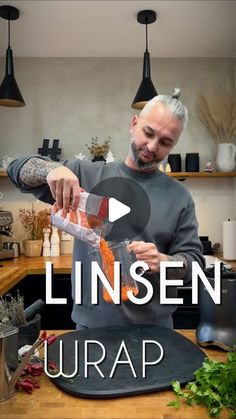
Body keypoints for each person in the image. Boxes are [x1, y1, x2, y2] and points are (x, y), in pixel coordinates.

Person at [8, 88, 204, 330]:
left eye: (165, 142)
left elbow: (194, 264)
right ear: (134, 124)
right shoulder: (86, 176)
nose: (152, 146)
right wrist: (50, 170)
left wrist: (164, 261)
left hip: (156, 332)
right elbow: (16, 169)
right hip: (91, 329)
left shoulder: (179, 196)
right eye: (148, 132)